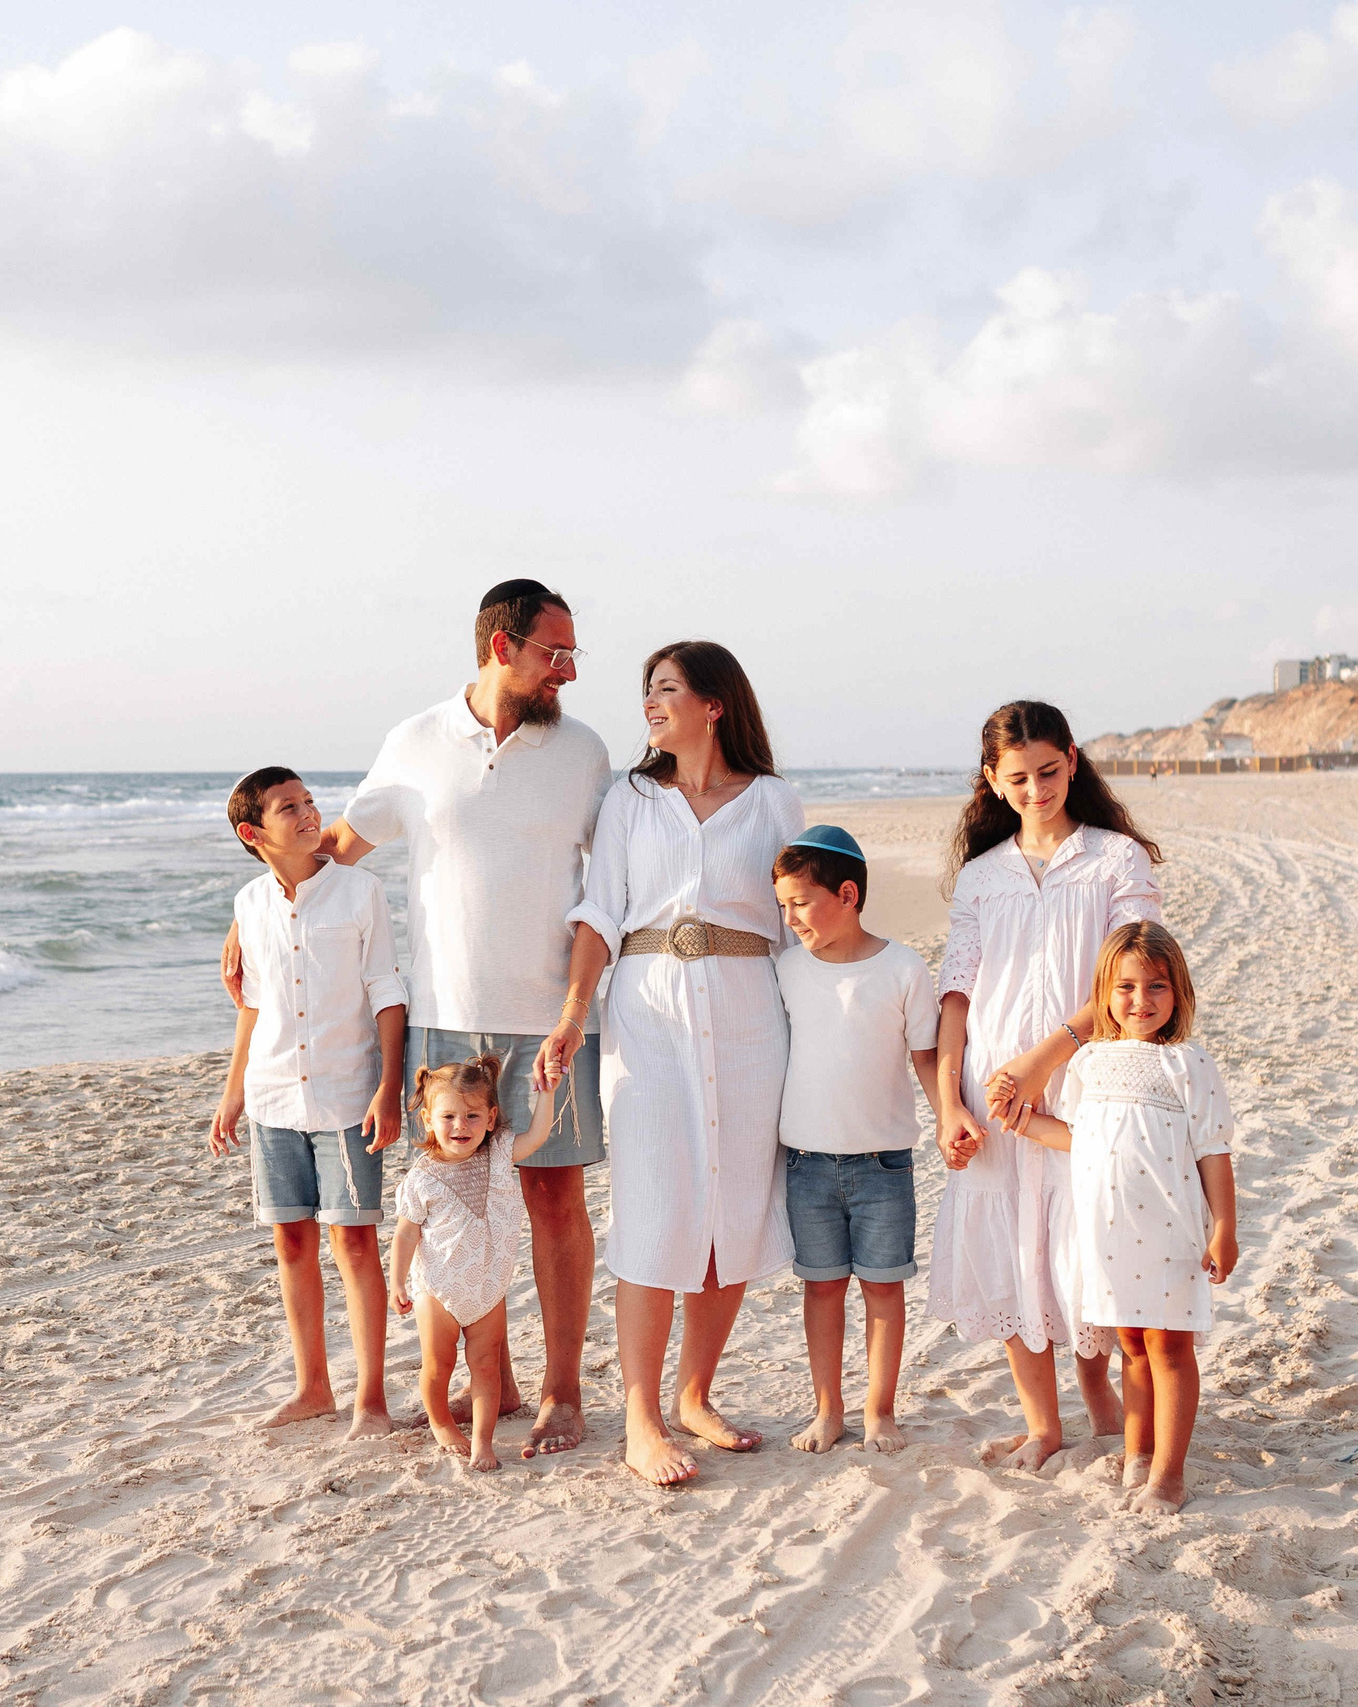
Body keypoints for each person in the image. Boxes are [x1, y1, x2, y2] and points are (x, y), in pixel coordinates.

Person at [223, 580, 611, 1457]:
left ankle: (560, 1392)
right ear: (501, 647)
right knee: (465, 1202)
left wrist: (582, 1005)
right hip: (443, 1023)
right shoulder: (415, 744)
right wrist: (247, 916)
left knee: (554, 1201)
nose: (570, 672)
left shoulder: (582, 752)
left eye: (573, 653)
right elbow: (334, 852)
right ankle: (497, 1381)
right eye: (557, 653)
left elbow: (616, 882)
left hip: (551, 1018)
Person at [542, 640, 803, 1487]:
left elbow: (802, 918)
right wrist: (575, 1011)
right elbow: (600, 912)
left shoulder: (772, 801)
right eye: (647, 691)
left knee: (733, 1202)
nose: (650, 704)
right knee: (655, 1203)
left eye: (666, 689)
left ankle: (695, 1396)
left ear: (713, 703)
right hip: (646, 1014)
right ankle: (641, 1421)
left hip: (750, 1013)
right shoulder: (630, 798)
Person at [929, 700, 1162, 1470]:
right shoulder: (980, 877)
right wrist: (949, 1102)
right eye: (1019, 777)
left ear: (1072, 758)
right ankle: (1042, 1422)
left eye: (1051, 772)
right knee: (1007, 1246)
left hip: (1084, 1076)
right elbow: (955, 993)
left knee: (1084, 1238)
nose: (1037, 790)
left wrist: (1045, 1057)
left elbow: (1132, 977)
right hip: (989, 1085)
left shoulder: (1115, 859)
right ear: (993, 781)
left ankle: (1098, 1396)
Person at [1009, 922, 1238, 1513]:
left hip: (1167, 1231)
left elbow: (1213, 1150)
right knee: (1132, 1346)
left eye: (1157, 987)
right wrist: (1016, 1116)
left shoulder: (1188, 1064)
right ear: (1104, 994)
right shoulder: (1089, 1064)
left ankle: (1168, 1474)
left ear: (1179, 993)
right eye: (1126, 987)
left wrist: (1224, 1227)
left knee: (1168, 1348)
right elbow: (1078, 1137)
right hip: (1107, 1232)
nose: (1141, 1001)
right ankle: (1138, 1452)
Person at [209, 767, 407, 1440]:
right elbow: (254, 1004)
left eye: (309, 801)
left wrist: (389, 1084)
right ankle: (312, 1387)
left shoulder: (361, 892)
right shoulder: (249, 903)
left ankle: (371, 1398)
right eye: (287, 807)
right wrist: (232, 1092)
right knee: (291, 1240)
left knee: (354, 1242)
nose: (307, 813)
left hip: (347, 1093)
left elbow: (386, 989)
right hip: (272, 1097)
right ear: (253, 832)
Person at [770, 825, 940, 1455]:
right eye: (782, 906)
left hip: (882, 1165)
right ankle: (827, 1410)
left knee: (883, 1289)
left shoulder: (902, 967)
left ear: (847, 894)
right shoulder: (786, 969)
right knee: (821, 1289)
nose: (790, 920)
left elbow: (926, 1058)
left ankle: (879, 1411)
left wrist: (949, 1116)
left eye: (801, 903)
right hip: (807, 1165)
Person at [389, 1054, 526, 1473]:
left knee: (486, 1366)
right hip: (438, 1289)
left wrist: (550, 1092)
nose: (460, 1126)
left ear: (490, 1117)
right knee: (438, 1364)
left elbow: (539, 1133)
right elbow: (406, 1233)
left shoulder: (500, 1154)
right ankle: (443, 1423)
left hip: (487, 1286)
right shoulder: (423, 1177)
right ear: (428, 1119)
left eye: (471, 1115)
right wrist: (396, 1282)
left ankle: (483, 1441)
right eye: (448, 1116)